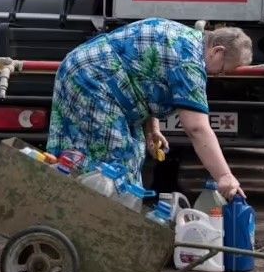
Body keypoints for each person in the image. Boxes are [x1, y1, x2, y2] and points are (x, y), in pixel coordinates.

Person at [46, 17, 253, 199]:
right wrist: (224, 176)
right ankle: (100, 227)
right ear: (218, 51)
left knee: (128, 153)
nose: (218, 76)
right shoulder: (189, 62)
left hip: (86, 70)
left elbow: (146, 76)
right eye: (223, 70)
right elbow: (196, 128)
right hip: (92, 80)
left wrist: (152, 129)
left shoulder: (185, 37)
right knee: (115, 160)